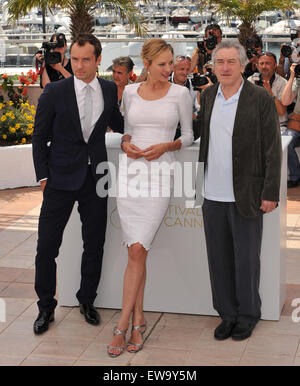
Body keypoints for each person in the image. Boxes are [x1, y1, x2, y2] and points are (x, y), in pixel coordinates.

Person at [32, 33, 124, 335]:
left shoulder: (110, 89)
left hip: (96, 178)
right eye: (75, 59)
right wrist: (43, 176)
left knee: (94, 244)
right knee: (46, 246)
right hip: (59, 178)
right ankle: (46, 307)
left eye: (86, 59)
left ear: (98, 60)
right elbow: (39, 136)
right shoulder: (55, 91)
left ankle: (87, 301)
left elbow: (120, 123)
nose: (80, 65)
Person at [107, 38, 193, 357]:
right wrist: (126, 143)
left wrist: (165, 147)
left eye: (171, 63)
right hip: (130, 172)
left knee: (139, 248)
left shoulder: (180, 94)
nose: (169, 70)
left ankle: (122, 324)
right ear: (147, 64)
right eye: (163, 64)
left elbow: (188, 135)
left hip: (159, 173)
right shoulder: (130, 92)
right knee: (136, 254)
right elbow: (128, 128)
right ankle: (138, 321)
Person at [194, 40, 281, 341]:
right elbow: (196, 134)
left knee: (246, 260)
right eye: (220, 62)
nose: (226, 67)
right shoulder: (207, 96)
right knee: (218, 259)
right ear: (213, 66)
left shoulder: (259, 98)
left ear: (244, 65)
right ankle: (227, 314)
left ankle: (247, 315)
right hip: (211, 193)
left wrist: (269, 192)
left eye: (232, 62)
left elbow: (272, 148)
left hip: (247, 193)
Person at [248, 52, 288, 130]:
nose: (264, 66)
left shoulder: (283, 83)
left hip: (278, 125)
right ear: (257, 65)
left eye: (268, 63)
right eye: (261, 63)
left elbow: (281, 111)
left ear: (275, 65)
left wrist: (269, 93)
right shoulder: (250, 81)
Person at [282, 63, 300, 188]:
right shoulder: (298, 81)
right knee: (287, 140)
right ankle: (295, 175)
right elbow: (285, 100)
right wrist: (292, 76)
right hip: (297, 126)